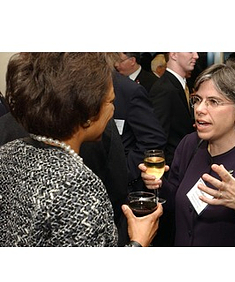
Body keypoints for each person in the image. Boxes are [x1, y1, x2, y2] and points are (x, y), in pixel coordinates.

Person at [0, 52, 163, 247]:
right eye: (110, 102)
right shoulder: (77, 184)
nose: (112, 110)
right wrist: (139, 241)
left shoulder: (9, 152)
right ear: (87, 114)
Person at [140, 62, 235, 246]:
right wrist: (158, 185)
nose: (199, 109)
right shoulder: (190, 145)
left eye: (213, 102)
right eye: (197, 100)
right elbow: (176, 203)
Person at [113, 71, 166, 192]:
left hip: (120, 190)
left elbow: (153, 138)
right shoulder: (68, 86)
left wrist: (123, 172)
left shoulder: (126, 89)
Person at [149, 52, 199, 167]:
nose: (196, 56)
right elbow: (157, 135)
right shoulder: (164, 89)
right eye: (190, 51)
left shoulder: (181, 84)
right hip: (172, 167)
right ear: (174, 54)